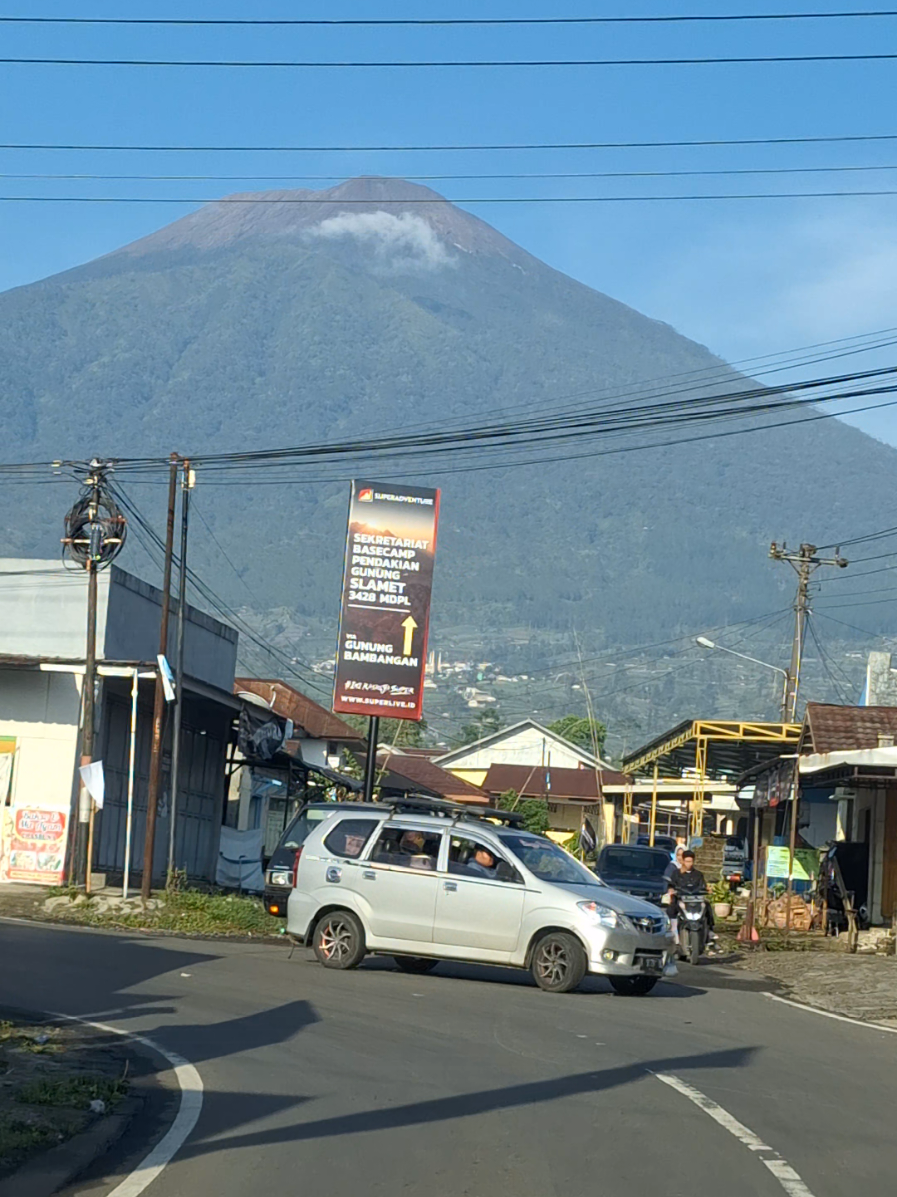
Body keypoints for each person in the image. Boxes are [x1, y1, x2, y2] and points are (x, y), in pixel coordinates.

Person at [668, 850, 714, 935]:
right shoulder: (676, 874)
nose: (689, 864)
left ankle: (710, 931)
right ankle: (671, 929)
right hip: (681, 899)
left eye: (691, 861)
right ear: (683, 861)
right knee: (672, 908)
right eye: (687, 861)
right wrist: (671, 891)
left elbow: (703, 885)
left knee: (706, 905)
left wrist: (707, 890)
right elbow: (671, 885)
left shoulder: (698, 874)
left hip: (695, 900)